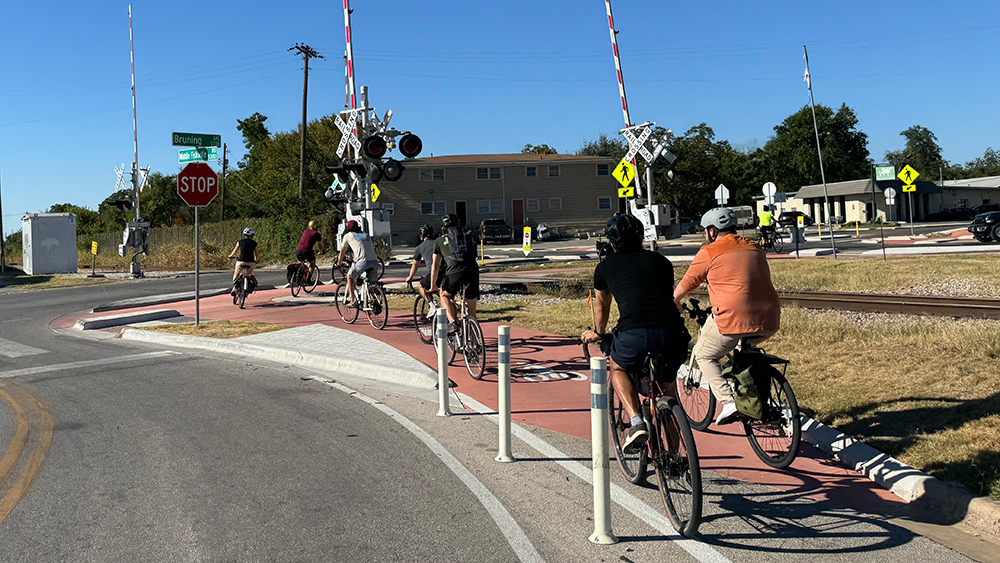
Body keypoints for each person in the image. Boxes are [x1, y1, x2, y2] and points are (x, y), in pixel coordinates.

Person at [580, 213, 689, 453]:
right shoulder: (661, 261)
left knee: (617, 367)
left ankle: (637, 421)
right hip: (672, 333)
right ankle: (674, 457)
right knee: (668, 390)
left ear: (612, 243)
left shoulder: (605, 267)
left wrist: (598, 333)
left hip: (634, 334)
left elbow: (602, 307)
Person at [673, 207, 781, 426]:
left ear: (712, 232)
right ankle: (755, 399)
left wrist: (674, 301)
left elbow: (687, 284)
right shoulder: (755, 247)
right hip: (769, 319)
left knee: (704, 354)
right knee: (744, 353)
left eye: (706, 231)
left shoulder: (709, 251)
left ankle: (728, 401)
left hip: (733, 319)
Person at [430, 214, 479, 332]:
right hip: (473, 271)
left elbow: (435, 267)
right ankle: (474, 341)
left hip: (455, 272)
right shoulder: (468, 237)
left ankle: (453, 323)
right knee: (471, 310)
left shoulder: (439, 242)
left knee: (444, 295)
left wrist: (433, 285)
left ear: (443, 228)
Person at [404, 224, 444, 318]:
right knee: (442, 292)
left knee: (421, 285)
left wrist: (410, 278)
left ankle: (432, 305)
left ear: (421, 236)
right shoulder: (438, 243)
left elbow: (415, 265)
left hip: (434, 272)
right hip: (447, 271)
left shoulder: (419, 248)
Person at [337, 220, 379, 306]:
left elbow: (342, 251)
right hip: (374, 261)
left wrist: (339, 263)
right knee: (371, 284)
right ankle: (374, 302)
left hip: (362, 262)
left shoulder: (348, 236)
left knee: (349, 276)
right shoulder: (366, 235)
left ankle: (353, 300)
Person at [228, 227, 258, 292]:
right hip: (251, 262)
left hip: (241, 261)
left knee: (236, 273)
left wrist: (231, 256)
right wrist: (256, 260)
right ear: (252, 235)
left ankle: (235, 287)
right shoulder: (254, 243)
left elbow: (235, 251)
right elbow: (256, 254)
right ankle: (248, 284)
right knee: (249, 273)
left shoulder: (240, 242)